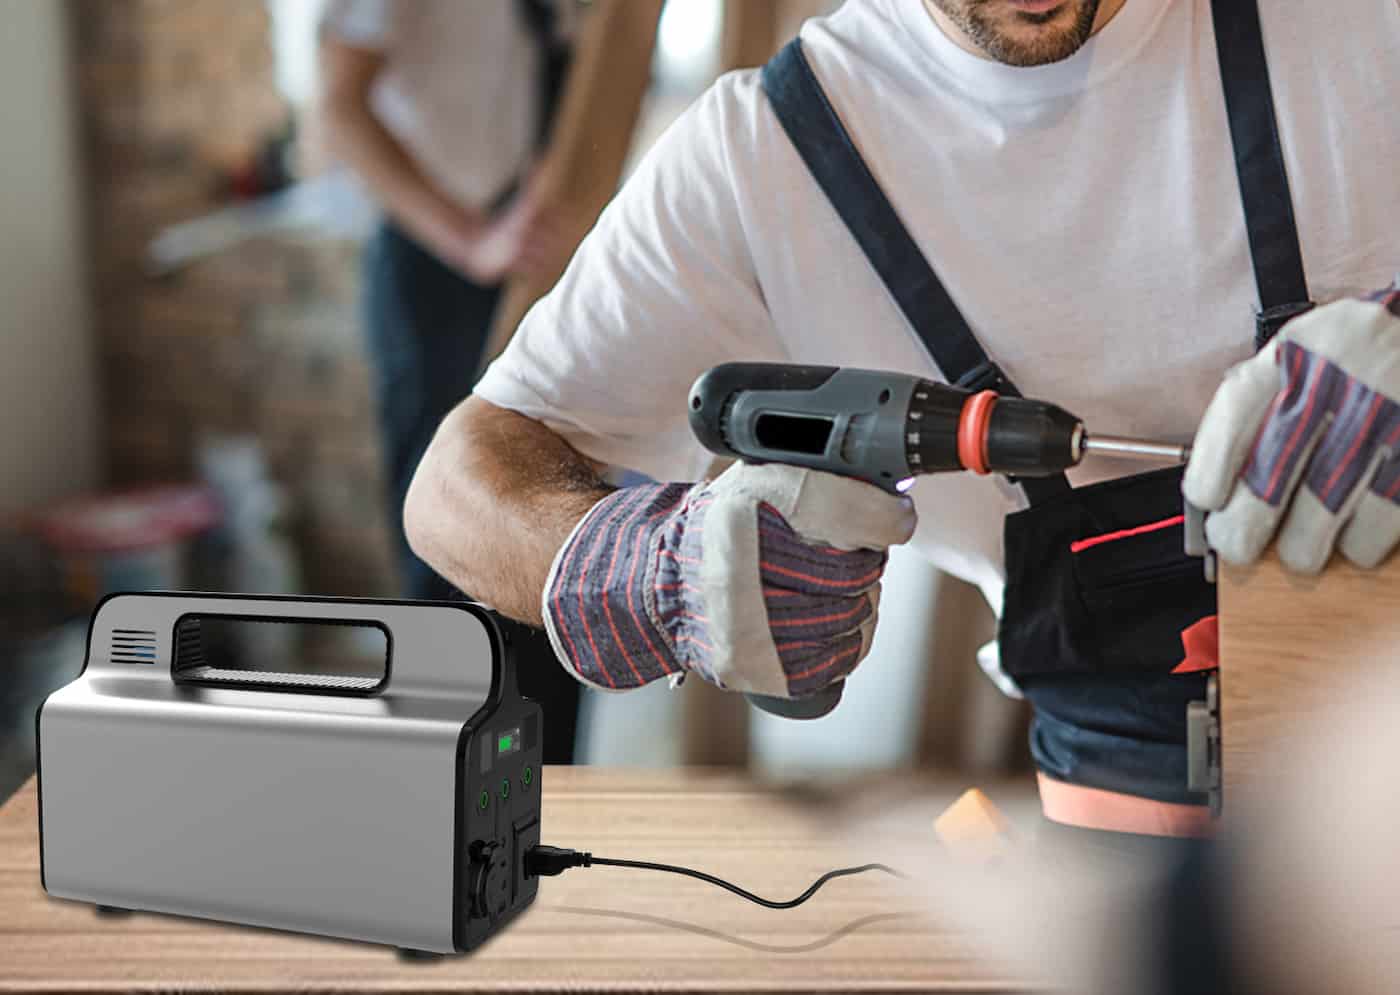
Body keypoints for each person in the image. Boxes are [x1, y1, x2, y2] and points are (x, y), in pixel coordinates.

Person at [404, 0, 1400, 836]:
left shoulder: (1349, 26)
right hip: (1137, 805)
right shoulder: (770, 150)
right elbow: (454, 491)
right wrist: (657, 571)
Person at [319, 0, 581, 758]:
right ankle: (450, 804)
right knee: (454, 552)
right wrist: (470, 243)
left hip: (532, 258)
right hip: (438, 267)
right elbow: (338, 111)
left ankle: (551, 795)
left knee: (550, 528)